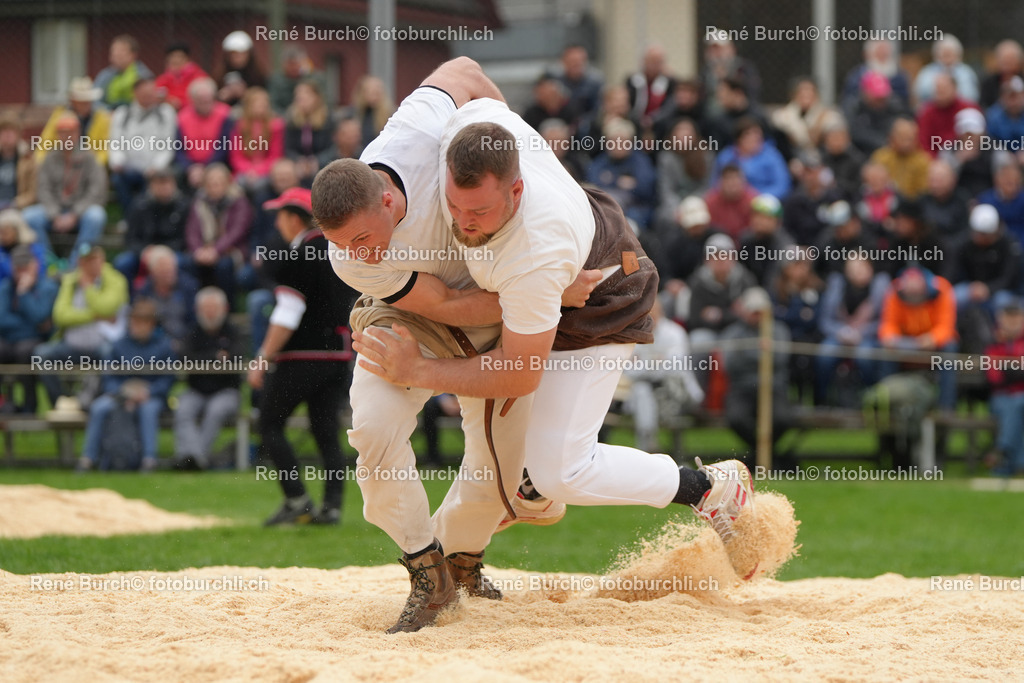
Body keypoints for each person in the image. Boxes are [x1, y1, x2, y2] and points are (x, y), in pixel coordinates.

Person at [315, 59, 755, 632]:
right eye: (458, 209)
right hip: (453, 304)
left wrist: (433, 362)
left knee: (542, 475)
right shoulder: (449, 140)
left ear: (391, 203)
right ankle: (432, 570)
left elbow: (516, 366)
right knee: (374, 428)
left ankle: (694, 489)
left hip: (592, 290)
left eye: (365, 240)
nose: (358, 254)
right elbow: (441, 307)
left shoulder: (529, 241)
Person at [250, 187, 357, 526]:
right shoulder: (338, 251)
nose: (278, 223)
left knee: (269, 423)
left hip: (301, 357)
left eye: (280, 215)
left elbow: (288, 313)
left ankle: (297, 500)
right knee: (326, 431)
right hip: (337, 357)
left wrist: (263, 358)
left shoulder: (297, 256)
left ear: (293, 219)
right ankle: (332, 507)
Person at [76, 298, 176, 473]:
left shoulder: (164, 347)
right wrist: (124, 393)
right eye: (134, 322)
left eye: (142, 323)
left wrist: (149, 391)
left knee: (148, 410)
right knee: (99, 407)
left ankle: (149, 460)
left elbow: (168, 379)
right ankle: (88, 459)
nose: (136, 326)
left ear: (151, 324)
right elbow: (108, 378)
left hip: (151, 397)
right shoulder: (118, 345)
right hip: (120, 395)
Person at [35, 245, 127, 411]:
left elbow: (107, 308)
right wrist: (93, 316)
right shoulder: (71, 280)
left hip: (102, 345)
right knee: (41, 355)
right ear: (79, 262)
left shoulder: (116, 280)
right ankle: (61, 403)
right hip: (70, 346)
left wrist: (88, 288)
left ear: (102, 259)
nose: (89, 264)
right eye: (85, 260)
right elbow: (60, 316)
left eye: (93, 259)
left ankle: (95, 405)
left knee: (110, 355)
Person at [720, 287, 792, 468]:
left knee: (783, 418)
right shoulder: (733, 332)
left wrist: (747, 353)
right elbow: (729, 363)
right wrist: (761, 352)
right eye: (754, 311)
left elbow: (780, 359)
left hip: (773, 386)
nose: (757, 316)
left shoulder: (779, 330)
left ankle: (757, 458)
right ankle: (762, 456)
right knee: (737, 418)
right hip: (742, 387)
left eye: (761, 312)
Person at [22, 115, 107, 262]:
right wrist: (55, 214)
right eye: (62, 133)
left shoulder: (89, 157)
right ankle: (49, 262)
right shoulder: (50, 158)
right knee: (30, 216)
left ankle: (76, 264)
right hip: (54, 211)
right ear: (57, 135)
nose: (66, 137)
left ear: (78, 133)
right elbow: (43, 189)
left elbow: (96, 191)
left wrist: (74, 214)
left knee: (96, 216)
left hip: (80, 211)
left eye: (70, 132)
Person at [173, 287, 241, 470]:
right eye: (206, 308)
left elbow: (237, 358)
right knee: (183, 410)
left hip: (226, 391)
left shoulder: (233, 332)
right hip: (196, 390)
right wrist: (215, 357)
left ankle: (192, 459)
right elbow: (185, 357)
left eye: (213, 308)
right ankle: (195, 459)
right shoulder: (192, 332)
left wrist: (203, 358)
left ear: (223, 309)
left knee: (215, 411)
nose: (210, 313)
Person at [623, 299, 703, 453]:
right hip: (645, 394)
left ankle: (646, 448)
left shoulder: (674, 333)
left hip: (677, 394)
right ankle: (649, 446)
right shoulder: (634, 334)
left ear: (661, 311)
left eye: (653, 311)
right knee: (641, 391)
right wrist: (655, 362)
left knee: (642, 392)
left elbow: (673, 369)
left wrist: (643, 364)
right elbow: (627, 371)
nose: (649, 316)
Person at [876, 265, 958, 410]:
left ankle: (946, 407)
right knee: (884, 351)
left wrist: (932, 338)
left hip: (933, 346)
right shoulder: (894, 290)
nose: (913, 295)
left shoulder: (942, 288)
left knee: (950, 348)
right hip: (904, 345)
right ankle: (886, 403)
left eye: (916, 290)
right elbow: (888, 324)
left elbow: (947, 326)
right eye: (910, 291)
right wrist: (890, 338)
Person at [815, 257, 890, 405]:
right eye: (853, 269)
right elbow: (824, 321)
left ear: (871, 269)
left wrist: (861, 332)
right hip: (839, 335)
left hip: (868, 336)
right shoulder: (836, 287)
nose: (857, 273)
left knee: (865, 357)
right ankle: (821, 400)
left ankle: (870, 399)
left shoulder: (880, 288)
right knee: (824, 355)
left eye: (861, 268)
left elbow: (885, 322)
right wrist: (842, 331)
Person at [0, 246, 59, 414]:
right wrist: (31, 327)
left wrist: (24, 293)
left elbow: (39, 316)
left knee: (25, 351)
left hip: (33, 343)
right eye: (18, 268)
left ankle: (29, 406)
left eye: (25, 267)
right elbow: (1, 320)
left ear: (35, 265)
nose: (21, 272)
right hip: (13, 339)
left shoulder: (47, 287)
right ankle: (5, 404)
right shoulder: (5, 287)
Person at [108, 77, 177, 213]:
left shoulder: (165, 113)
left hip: (154, 169)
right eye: (145, 94)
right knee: (118, 179)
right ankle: (129, 218)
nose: (149, 97)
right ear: (135, 93)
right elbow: (115, 143)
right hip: (128, 168)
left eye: (152, 93)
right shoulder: (122, 114)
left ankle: (148, 219)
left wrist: (156, 167)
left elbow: (168, 146)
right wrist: (118, 162)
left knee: (158, 180)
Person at [184, 163, 252, 301]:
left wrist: (216, 250)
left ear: (228, 183)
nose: (215, 186)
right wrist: (198, 251)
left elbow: (237, 231)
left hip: (230, 250)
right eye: (211, 183)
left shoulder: (239, 201)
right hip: (204, 250)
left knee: (224, 266)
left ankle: (228, 307)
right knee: (187, 264)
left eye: (219, 182)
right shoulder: (199, 202)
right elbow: (192, 230)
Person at [115, 167, 190, 281]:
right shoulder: (139, 206)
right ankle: (131, 297)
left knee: (185, 263)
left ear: (174, 184)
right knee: (123, 263)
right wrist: (144, 251)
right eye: (159, 183)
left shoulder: (183, 206)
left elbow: (185, 238)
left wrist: (163, 251)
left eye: (166, 183)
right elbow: (130, 238)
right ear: (151, 186)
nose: (164, 188)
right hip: (144, 251)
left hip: (173, 251)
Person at [686, 233, 756, 350]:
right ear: (706, 260)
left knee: (743, 341)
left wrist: (717, 315)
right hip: (708, 332)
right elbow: (695, 319)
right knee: (697, 341)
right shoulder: (698, 281)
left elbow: (749, 316)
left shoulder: (745, 279)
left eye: (725, 255)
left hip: (737, 330)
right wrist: (732, 312)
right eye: (715, 256)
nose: (720, 260)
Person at [585, 117, 658, 229]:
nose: (618, 145)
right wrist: (618, 181)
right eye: (613, 141)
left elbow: (646, 189)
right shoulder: (599, 163)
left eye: (623, 141)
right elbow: (592, 188)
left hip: (635, 208)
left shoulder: (640, 161)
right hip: (605, 208)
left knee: (630, 221)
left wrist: (610, 180)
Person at [950, 204, 1020, 316]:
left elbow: (1009, 278)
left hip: (998, 290)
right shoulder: (963, 243)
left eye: (985, 235)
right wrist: (973, 287)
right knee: (953, 297)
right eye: (978, 233)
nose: (981, 238)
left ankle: (1003, 333)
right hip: (971, 287)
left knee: (1005, 302)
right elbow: (953, 272)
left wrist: (988, 288)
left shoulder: (1009, 245)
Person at [660, 196, 721, 319]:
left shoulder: (717, 237)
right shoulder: (673, 241)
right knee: (665, 300)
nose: (697, 228)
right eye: (693, 225)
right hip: (682, 290)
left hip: (711, 288)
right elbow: (664, 270)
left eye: (700, 224)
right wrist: (669, 283)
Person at [984, 299, 1024, 475]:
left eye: (1017, 320)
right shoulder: (993, 345)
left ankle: (1002, 454)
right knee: (1016, 406)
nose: (1013, 324)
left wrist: (1010, 369)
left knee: (1019, 405)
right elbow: (995, 378)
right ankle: (1018, 465)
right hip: (1000, 398)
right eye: (1009, 320)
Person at [653, 118, 713, 235]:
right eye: (680, 130)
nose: (684, 134)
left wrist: (692, 206)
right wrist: (677, 209)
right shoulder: (666, 158)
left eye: (687, 130)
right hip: (675, 205)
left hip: (699, 202)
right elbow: (666, 189)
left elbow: (708, 186)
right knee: (663, 217)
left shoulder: (706, 156)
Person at [34, 77, 111, 167]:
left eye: (88, 100)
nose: (86, 103)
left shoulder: (101, 118)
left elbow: (106, 149)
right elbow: (44, 145)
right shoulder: (59, 117)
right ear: (73, 101)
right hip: (61, 166)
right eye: (82, 100)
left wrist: (92, 165)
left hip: (91, 166)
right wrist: (42, 164)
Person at [175, 78, 233, 192]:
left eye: (208, 100)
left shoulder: (225, 115)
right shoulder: (182, 118)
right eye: (201, 100)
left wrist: (206, 168)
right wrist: (190, 168)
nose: (205, 103)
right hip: (190, 167)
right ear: (192, 100)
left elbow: (224, 147)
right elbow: (178, 148)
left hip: (217, 162)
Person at [134, 245, 198, 348]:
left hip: (185, 340)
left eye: (171, 270)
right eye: (163, 271)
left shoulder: (188, 287)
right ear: (153, 272)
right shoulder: (144, 291)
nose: (169, 275)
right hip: (154, 343)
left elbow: (193, 321)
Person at [711, 117, 790, 200]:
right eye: (749, 135)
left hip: (763, 200)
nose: (755, 138)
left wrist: (758, 197)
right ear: (739, 139)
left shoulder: (771, 155)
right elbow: (715, 183)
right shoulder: (726, 157)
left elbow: (782, 184)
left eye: (758, 135)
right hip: (731, 200)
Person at [228, 87, 285, 194]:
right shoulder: (240, 126)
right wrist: (248, 170)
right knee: (237, 186)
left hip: (267, 171)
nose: (262, 107)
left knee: (262, 186)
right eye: (258, 103)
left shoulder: (276, 126)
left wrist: (259, 171)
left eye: (264, 103)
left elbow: (275, 155)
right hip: (244, 172)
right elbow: (236, 156)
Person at [782, 150, 843, 246]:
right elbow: (787, 230)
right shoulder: (793, 201)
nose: (810, 176)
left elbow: (840, 228)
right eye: (807, 172)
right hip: (802, 251)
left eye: (814, 171)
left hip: (829, 250)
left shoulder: (833, 197)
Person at [771, 77, 842, 157]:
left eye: (810, 92)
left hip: (822, 159)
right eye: (802, 92)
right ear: (795, 94)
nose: (806, 95)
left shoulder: (827, 115)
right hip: (792, 159)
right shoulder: (784, 115)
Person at [738, 194, 795, 287]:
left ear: (777, 221)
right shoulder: (746, 240)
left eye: (766, 218)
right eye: (757, 216)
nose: (760, 221)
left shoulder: (785, 245)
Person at [916, 73, 979, 157]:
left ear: (954, 89)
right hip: (935, 162)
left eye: (944, 89)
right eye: (937, 89)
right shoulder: (927, 112)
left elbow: (977, 139)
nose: (940, 92)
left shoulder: (969, 109)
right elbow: (923, 142)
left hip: (964, 159)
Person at [284, 79, 333, 185]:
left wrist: (317, 162)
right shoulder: (292, 119)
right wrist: (298, 161)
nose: (301, 99)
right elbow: (288, 148)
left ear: (316, 98)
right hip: (298, 166)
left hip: (323, 164)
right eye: (299, 97)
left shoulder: (327, 119)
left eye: (306, 96)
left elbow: (333, 147)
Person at [847, 71, 907, 156]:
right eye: (877, 97)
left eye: (883, 97)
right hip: (862, 155)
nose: (881, 100)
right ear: (865, 93)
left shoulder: (895, 107)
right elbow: (855, 133)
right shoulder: (854, 108)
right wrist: (883, 143)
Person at [841, 40, 912, 112]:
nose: (883, 55)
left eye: (885, 53)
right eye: (879, 52)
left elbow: (905, 104)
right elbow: (848, 102)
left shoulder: (899, 78)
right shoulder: (856, 77)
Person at [870, 118, 931, 199]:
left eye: (910, 139)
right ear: (892, 138)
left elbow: (923, 192)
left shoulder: (923, 161)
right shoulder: (881, 157)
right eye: (902, 138)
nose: (907, 143)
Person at [913, 35, 980, 105]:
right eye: (945, 54)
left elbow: (972, 96)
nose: (947, 58)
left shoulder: (966, 73)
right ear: (937, 55)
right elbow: (920, 94)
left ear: (958, 54)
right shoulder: (927, 72)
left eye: (950, 54)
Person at [702, 35, 761, 114]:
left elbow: (753, 91)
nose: (717, 54)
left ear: (731, 49)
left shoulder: (744, 68)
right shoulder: (706, 72)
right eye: (713, 50)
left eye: (719, 49)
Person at [94, 35, 154, 110]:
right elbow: (95, 101)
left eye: (121, 50)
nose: (116, 54)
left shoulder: (144, 75)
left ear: (133, 54)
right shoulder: (104, 75)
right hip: (109, 116)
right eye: (114, 50)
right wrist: (108, 112)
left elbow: (149, 101)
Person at [545, 45, 603, 121]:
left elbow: (597, 109)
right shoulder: (554, 82)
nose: (576, 64)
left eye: (579, 61)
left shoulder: (595, 83)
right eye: (572, 61)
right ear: (563, 61)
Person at [920, 159, 971, 241]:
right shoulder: (922, 201)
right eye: (932, 180)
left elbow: (965, 233)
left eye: (940, 180)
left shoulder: (962, 201)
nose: (935, 185)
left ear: (953, 180)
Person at [625, 45, 677, 128]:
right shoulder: (632, 80)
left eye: (658, 61)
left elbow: (670, 107)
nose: (654, 65)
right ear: (643, 61)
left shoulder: (670, 82)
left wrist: (653, 119)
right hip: (635, 122)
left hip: (661, 124)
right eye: (651, 61)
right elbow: (628, 104)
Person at [704, 163, 757, 240]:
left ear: (743, 181)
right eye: (728, 179)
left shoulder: (753, 200)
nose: (732, 184)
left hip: (745, 242)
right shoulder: (710, 201)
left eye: (735, 179)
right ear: (720, 182)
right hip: (719, 241)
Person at [977, 157, 1024, 244]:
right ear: (997, 180)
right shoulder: (986, 201)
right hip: (995, 246)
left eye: (1016, 181)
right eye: (1008, 182)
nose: (1012, 186)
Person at [215, 31, 266, 107]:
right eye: (234, 54)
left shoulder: (258, 76)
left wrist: (245, 94)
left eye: (242, 54)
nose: (238, 58)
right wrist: (221, 96)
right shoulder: (219, 76)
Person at [820, 120, 866, 201]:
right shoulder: (822, 159)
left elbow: (858, 188)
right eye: (832, 138)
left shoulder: (856, 159)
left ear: (848, 140)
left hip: (849, 200)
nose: (835, 142)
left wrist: (836, 183)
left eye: (839, 138)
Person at [155, 42, 210, 111]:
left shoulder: (199, 76)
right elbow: (157, 94)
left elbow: (204, 98)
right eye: (172, 57)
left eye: (179, 57)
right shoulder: (164, 78)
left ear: (187, 59)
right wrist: (168, 100)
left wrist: (180, 103)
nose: (176, 60)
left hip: (192, 112)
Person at [0, 210, 49, 285]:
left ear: (17, 230)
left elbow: (41, 271)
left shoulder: (32, 248)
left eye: (5, 232)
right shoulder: (1, 251)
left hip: (32, 285)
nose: (2, 236)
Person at [0, 114, 37, 212]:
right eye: (4, 131)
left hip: (16, 209)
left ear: (19, 135)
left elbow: (33, 193)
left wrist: (14, 204)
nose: (7, 135)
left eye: (11, 131)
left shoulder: (28, 160)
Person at [350, 75, 395, 148]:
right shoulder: (352, 114)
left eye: (376, 92)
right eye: (370, 91)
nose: (374, 96)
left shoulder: (391, 115)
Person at [980, 40, 1024, 109]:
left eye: (1011, 61)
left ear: (1019, 62)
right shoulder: (988, 83)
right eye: (1004, 61)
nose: (1008, 65)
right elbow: (984, 105)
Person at [986, 76, 1024, 150]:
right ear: (1002, 97)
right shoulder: (993, 116)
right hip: (1003, 151)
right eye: (1010, 97)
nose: (1014, 102)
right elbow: (991, 141)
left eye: (1016, 97)